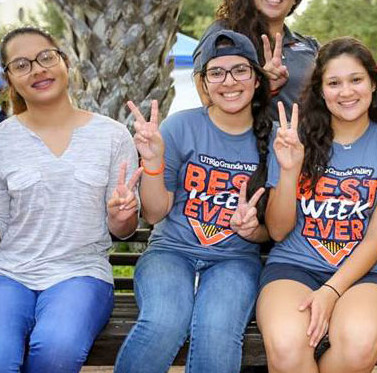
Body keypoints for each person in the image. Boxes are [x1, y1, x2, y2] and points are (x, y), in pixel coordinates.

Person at [0, 27, 140, 373]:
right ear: (10, 79)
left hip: (80, 274)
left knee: (56, 349)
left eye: (46, 57)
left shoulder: (111, 135)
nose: (37, 69)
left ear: (65, 62)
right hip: (8, 275)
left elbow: (122, 231)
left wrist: (122, 215)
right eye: (22, 64)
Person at [114, 30, 272, 373]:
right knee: (164, 322)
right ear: (204, 82)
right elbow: (155, 213)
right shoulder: (180, 127)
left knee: (217, 331)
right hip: (172, 252)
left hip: (234, 259)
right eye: (216, 72)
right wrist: (153, 164)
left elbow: (271, 232)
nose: (229, 81)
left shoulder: (275, 139)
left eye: (240, 70)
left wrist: (253, 229)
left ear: (257, 80)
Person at [257, 37, 377, 373]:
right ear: (321, 90)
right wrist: (289, 170)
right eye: (334, 83)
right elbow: (279, 230)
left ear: (372, 84)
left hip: (363, 274)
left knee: (358, 345)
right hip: (294, 268)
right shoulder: (291, 138)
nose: (346, 92)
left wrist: (330, 291)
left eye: (355, 80)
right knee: (286, 346)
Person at [197, 0, 318, 108]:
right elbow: (208, 100)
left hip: (305, 134)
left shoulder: (310, 46)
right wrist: (265, 87)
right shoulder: (223, 33)